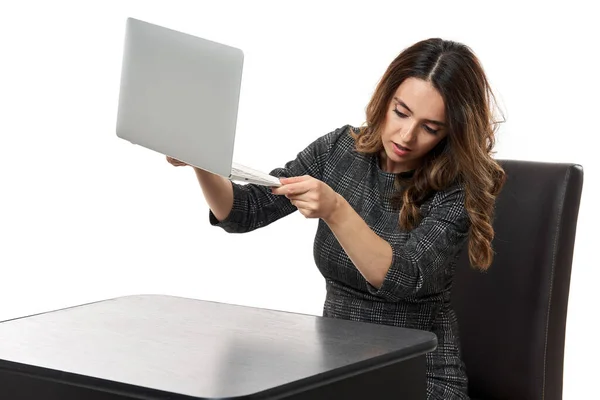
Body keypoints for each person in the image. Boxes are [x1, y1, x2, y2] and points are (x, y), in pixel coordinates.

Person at [167, 38, 506, 399]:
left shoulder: (458, 185)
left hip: (417, 378)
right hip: (340, 371)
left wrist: (336, 209)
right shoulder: (341, 150)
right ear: (385, 99)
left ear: (452, 130)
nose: (407, 136)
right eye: (401, 112)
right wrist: (201, 158)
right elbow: (243, 212)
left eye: (431, 127)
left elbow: (406, 276)